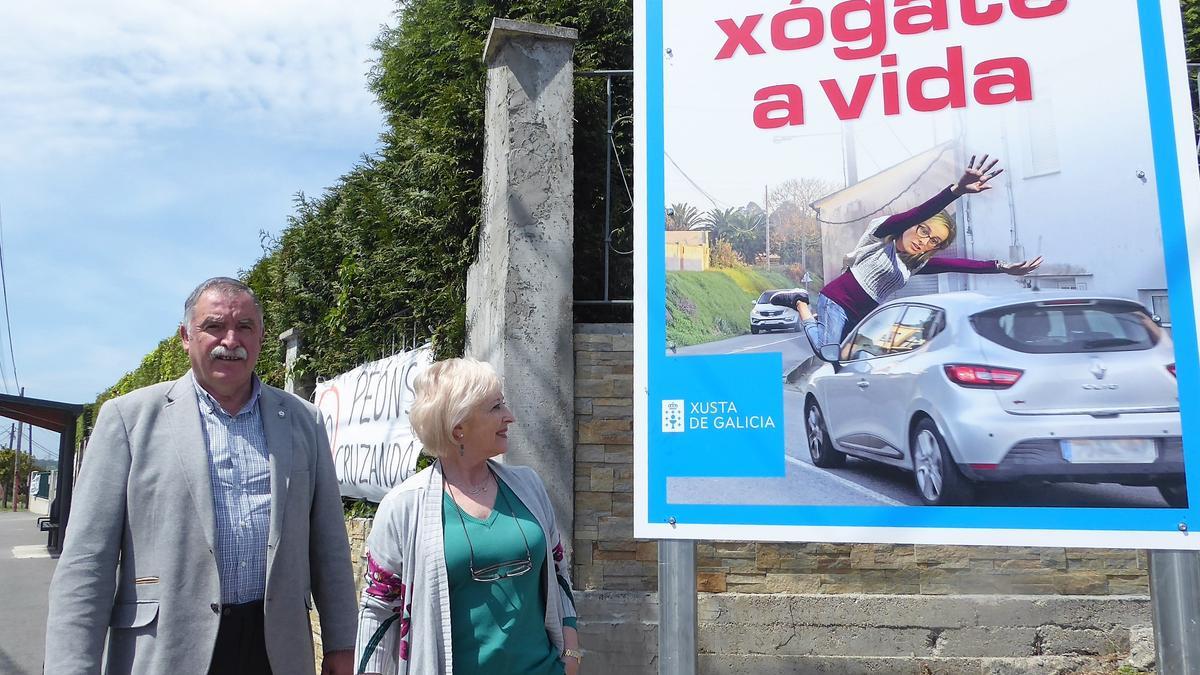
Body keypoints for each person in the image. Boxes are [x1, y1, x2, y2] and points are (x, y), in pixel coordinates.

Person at [44, 277, 357, 675]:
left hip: (276, 651)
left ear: (260, 337)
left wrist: (342, 643)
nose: (231, 340)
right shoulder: (128, 420)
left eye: (244, 327)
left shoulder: (303, 420)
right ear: (185, 336)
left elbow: (328, 543)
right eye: (214, 326)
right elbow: (87, 561)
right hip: (167, 650)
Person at [355, 357, 580, 675]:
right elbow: (379, 609)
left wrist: (571, 657)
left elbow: (559, 575)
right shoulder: (404, 506)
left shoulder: (528, 487)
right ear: (458, 428)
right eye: (496, 408)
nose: (510, 417)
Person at [776, 155, 1042, 358]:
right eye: (923, 230)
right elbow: (918, 212)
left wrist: (1003, 267)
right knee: (828, 352)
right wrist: (955, 192)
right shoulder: (881, 234)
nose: (923, 240)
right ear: (912, 225)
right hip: (835, 301)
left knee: (851, 360)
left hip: (862, 315)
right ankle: (801, 303)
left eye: (933, 241)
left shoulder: (915, 264)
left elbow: (961, 265)